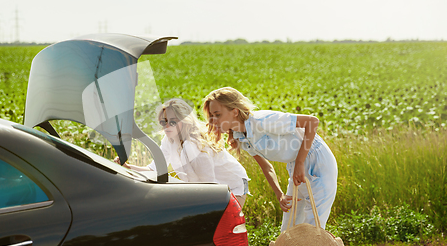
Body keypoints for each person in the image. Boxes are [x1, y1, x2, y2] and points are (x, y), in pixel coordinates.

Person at [202, 87, 337, 231]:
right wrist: (280, 195)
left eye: (217, 114)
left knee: (313, 227)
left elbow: (312, 122)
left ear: (235, 111)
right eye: (211, 116)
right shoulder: (240, 136)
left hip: (317, 160)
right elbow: (266, 167)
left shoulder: (262, 120)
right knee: (289, 229)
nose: (213, 120)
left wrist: (300, 162)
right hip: (296, 163)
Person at [116, 98, 250, 207]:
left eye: (172, 122)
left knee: (225, 225)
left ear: (184, 121)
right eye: (163, 122)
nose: (166, 126)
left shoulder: (193, 146)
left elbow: (210, 185)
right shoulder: (169, 140)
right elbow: (153, 169)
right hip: (212, 186)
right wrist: (128, 167)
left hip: (234, 184)